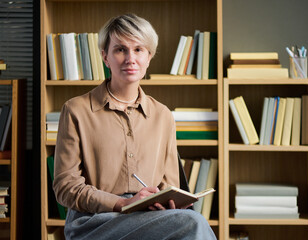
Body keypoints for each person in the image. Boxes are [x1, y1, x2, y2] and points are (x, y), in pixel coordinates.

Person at [53, 14, 217, 239]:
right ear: (105, 57)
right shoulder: (75, 110)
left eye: (139, 49)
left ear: (149, 57)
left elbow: (169, 185)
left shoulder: (163, 115)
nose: (130, 58)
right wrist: (123, 203)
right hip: (95, 221)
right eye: (120, 49)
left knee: (189, 223)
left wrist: (165, 203)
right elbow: (65, 187)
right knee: (194, 224)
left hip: (149, 218)